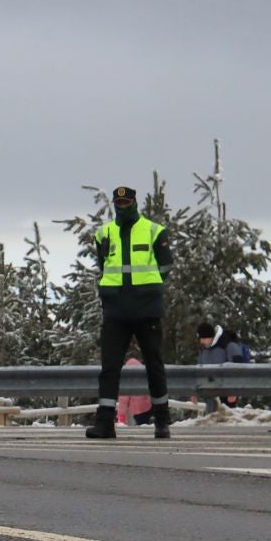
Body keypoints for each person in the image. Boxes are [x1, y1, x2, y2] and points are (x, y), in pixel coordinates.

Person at [86, 186, 176, 439]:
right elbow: (104, 265)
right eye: (119, 203)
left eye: (127, 202)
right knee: (110, 367)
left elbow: (166, 264)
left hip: (146, 308)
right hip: (116, 310)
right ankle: (105, 423)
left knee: (154, 364)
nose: (123, 206)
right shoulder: (104, 233)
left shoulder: (154, 231)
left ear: (135, 203)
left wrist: (149, 287)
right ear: (114, 204)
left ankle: (162, 421)